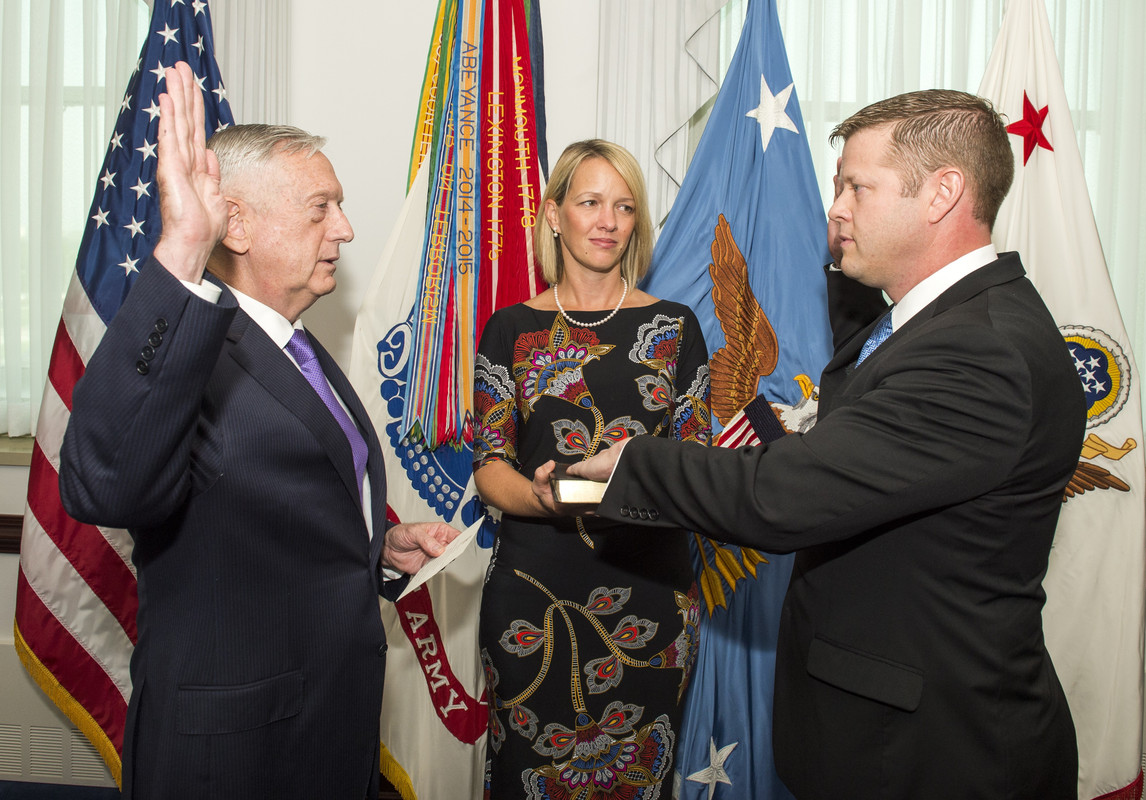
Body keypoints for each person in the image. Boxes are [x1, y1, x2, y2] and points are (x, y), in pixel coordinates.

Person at [555, 90, 1084, 799]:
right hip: (882, 733)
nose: (834, 209)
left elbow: (785, 495)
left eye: (856, 188)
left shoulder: (976, 352)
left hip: (936, 753)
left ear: (943, 193)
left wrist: (633, 462)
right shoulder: (924, 326)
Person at [58, 62, 459, 799]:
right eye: (320, 208)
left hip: (326, 732)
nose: (344, 227)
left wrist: (375, 550)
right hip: (233, 754)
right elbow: (101, 482)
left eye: (338, 206)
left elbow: (272, 515)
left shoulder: (300, 346)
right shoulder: (190, 349)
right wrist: (179, 247)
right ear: (235, 224)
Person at [471, 139, 711, 797]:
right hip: (532, 592)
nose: (607, 221)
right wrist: (540, 497)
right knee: (529, 774)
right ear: (554, 214)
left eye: (624, 206)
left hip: (651, 598)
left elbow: (698, 466)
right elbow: (490, 466)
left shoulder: (676, 327)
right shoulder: (509, 329)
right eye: (590, 202)